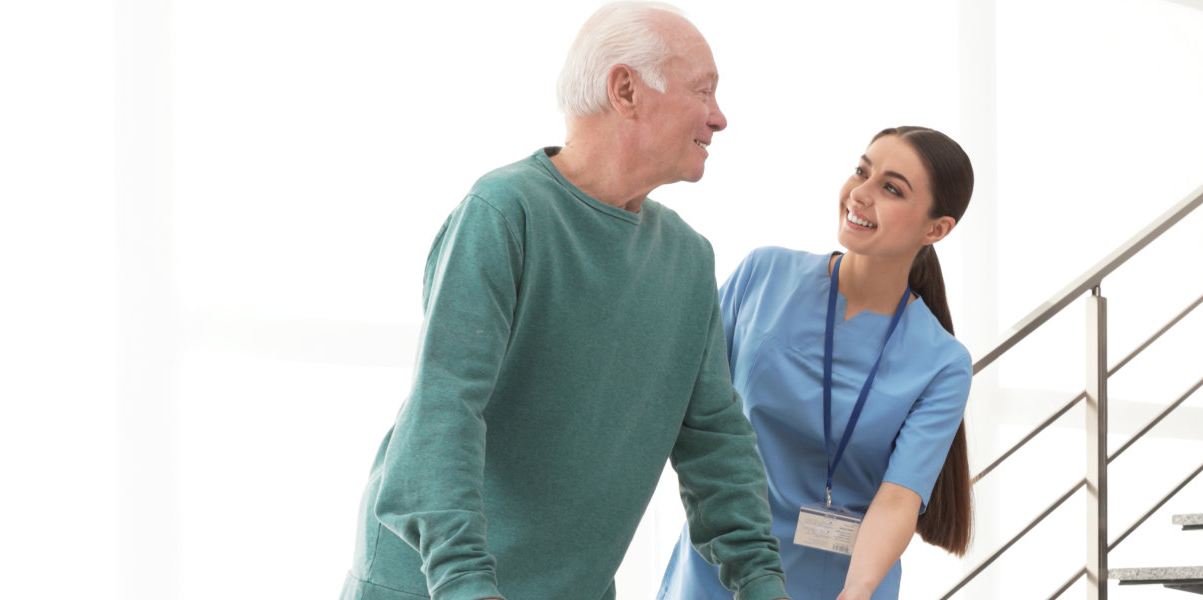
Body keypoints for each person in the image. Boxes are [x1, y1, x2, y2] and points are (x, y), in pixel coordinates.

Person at [339, 3, 790, 600]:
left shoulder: (687, 258)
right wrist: (464, 584)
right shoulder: (505, 213)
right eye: (703, 91)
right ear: (626, 89)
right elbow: (443, 415)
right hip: (434, 585)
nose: (720, 117)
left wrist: (760, 580)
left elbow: (715, 438)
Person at [658, 126, 977, 600]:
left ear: (937, 229)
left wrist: (856, 592)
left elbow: (897, 498)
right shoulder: (761, 275)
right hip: (720, 563)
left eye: (891, 188)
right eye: (861, 172)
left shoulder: (943, 363)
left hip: (840, 582)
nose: (861, 194)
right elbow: (685, 404)